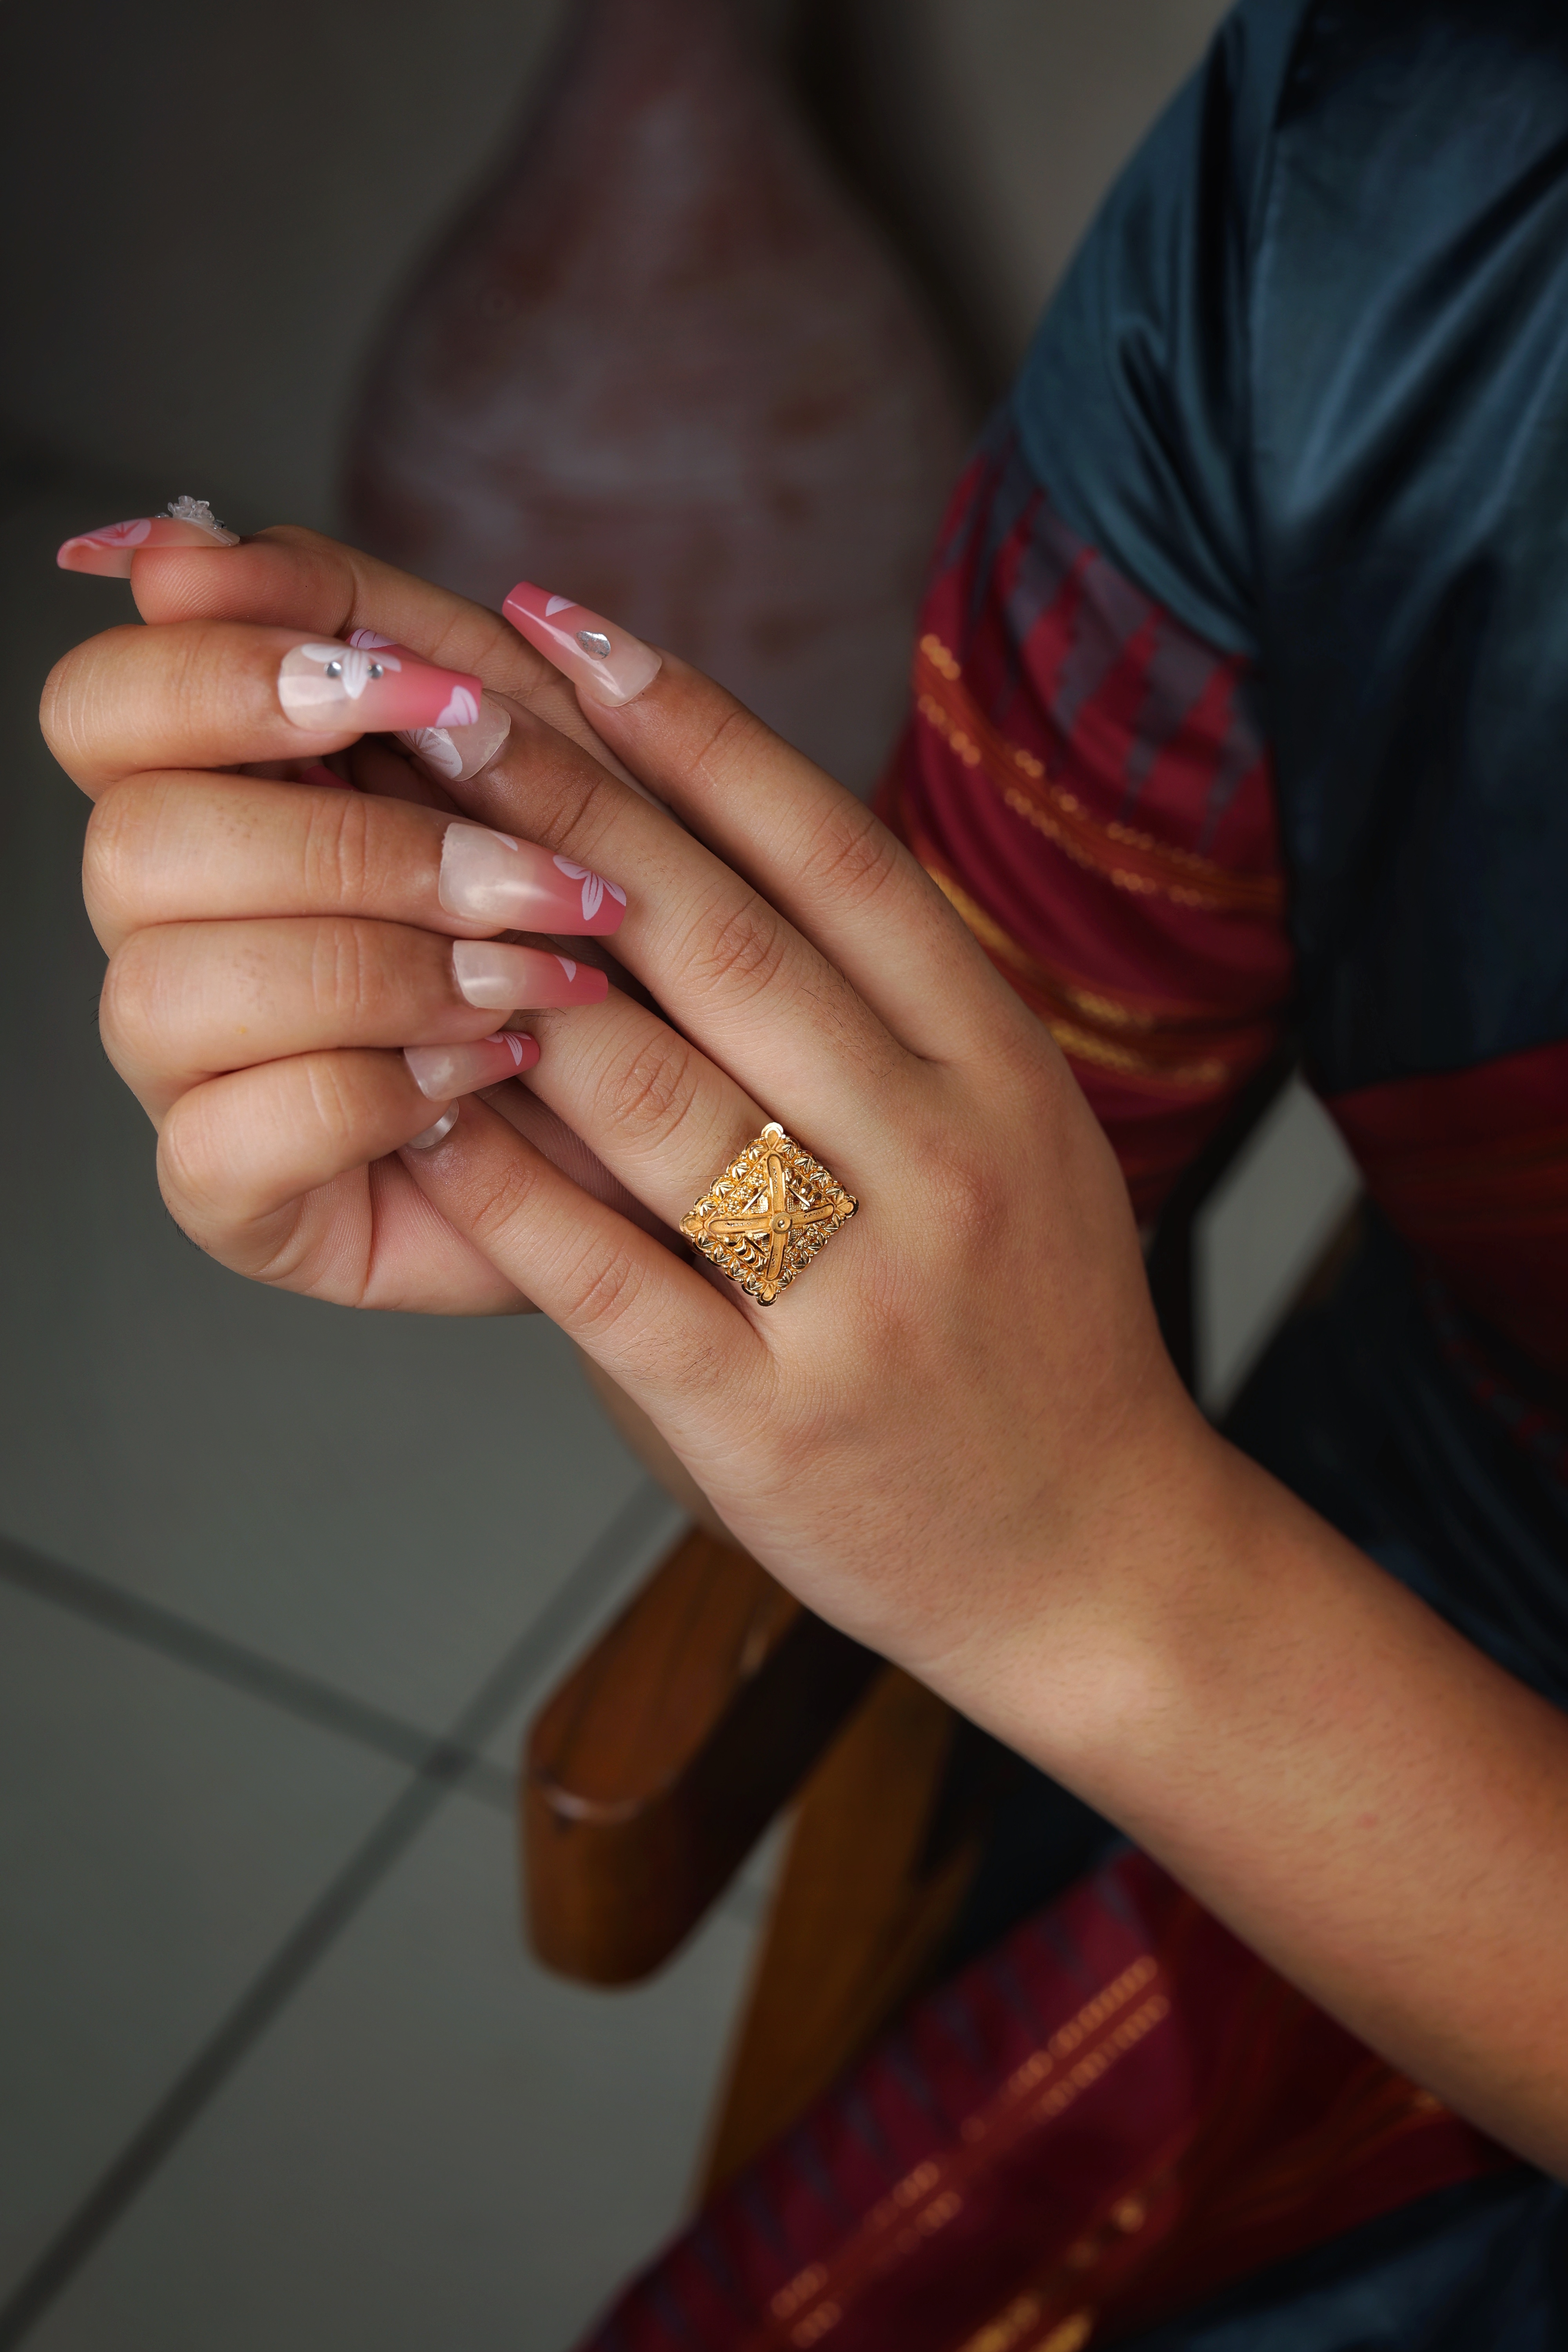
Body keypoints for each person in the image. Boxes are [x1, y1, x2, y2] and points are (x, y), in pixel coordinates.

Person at [43, 0, 1568, 2338]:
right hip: (1371, 1644)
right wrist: (577, 1095)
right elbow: (908, 1295)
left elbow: (1038, 1507)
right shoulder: (1390, 208)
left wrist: (1112, 1582)